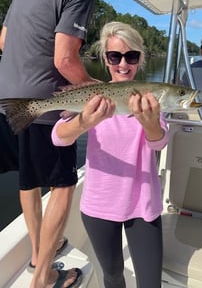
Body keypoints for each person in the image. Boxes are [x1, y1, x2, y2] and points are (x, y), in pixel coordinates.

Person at [0, 0, 108, 287]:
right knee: (62, 186)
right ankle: (43, 277)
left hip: (6, 99)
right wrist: (98, 89)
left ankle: (37, 254)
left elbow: (4, 40)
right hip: (43, 105)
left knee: (28, 180)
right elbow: (65, 60)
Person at [51, 21, 169, 288]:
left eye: (131, 56)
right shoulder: (94, 96)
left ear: (141, 59)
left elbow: (160, 142)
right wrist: (84, 122)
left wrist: (149, 122)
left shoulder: (151, 97)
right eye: (115, 56)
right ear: (105, 59)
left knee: (150, 283)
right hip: (99, 204)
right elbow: (58, 137)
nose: (123, 64)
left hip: (143, 204)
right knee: (113, 275)